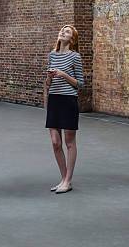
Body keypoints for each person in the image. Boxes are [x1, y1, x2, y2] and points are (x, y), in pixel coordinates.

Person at [43, 24, 84, 194]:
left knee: (69, 142)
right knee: (55, 142)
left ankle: (68, 180)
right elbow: (47, 84)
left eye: (67, 31)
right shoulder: (52, 55)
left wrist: (63, 74)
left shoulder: (75, 57)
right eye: (62, 30)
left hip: (68, 100)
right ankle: (63, 179)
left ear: (72, 39)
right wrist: (49, 78)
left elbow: (80, 84)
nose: (62, 32)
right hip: (54, 99)